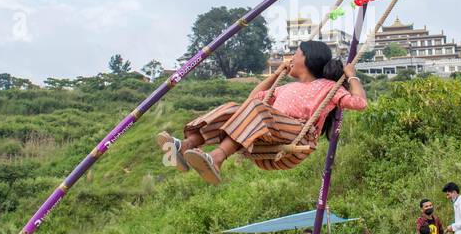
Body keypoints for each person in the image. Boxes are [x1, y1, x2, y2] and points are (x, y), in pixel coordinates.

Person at [155, 41, 367, 184]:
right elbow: (252, 99)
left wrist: (351, 76)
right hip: (268, 140)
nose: (291, 59)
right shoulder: (285, 88)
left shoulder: (327, 87)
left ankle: (217, 158)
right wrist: (276, 74)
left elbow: (359, 103)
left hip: (296, 140)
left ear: (307, 59)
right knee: (233, 108)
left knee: (257, 110)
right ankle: (185, 146)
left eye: (295, 54)